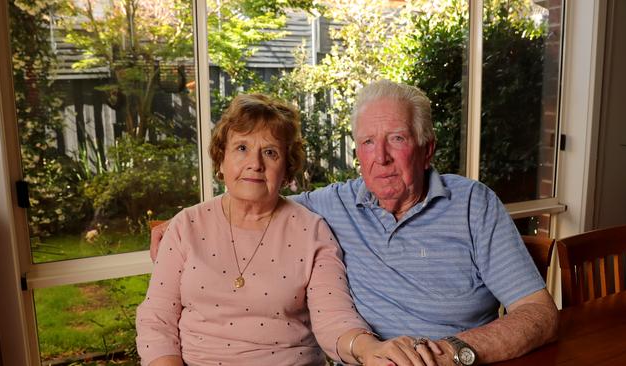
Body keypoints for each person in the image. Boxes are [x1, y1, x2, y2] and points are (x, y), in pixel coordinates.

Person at [150, 81, 559, 365]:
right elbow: (258, 197)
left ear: (427, 148)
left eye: (396, 139)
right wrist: (181, 225)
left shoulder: (472, 205)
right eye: (367, 142)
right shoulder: (333, 205)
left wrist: (451, 354)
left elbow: (539, 315)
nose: (379, 157)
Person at [136, 93, 441, 366]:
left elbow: (333, 318)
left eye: (270, 152)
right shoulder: (185, 227)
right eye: (241, 148)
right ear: (221, 161)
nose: (254, 163)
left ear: (286, 170)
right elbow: (156, 319)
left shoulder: (311, 231)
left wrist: (369, 349)